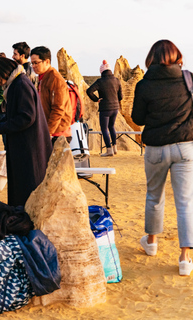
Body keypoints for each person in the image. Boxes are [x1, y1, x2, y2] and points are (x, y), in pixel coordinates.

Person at [132, 39, 193, 276]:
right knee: (185, 202)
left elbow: (138, 118)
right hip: (185, 147)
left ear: (152, 59)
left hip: (156, 148)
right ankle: (185, 258)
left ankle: (152, 242)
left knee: (154, 196)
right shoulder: (188, 79)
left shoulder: (144, 85)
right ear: (176, 56)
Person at [0, 57, 52, 207]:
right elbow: (14, 116)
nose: (0, 85)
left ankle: (24, 222)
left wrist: (1, 128)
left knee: (27, 191)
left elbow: (26, 117)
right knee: (21, 189)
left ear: (3, 74)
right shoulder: (17, 83)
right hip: (24, 147)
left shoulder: (20, 85)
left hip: (29, 149)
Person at [30, 46, 72, 145]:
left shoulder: (55, 79)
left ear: (47, 62)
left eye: (36, 63)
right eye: (32, 63)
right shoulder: (42, 78)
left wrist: (48, 131)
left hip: (58, 133)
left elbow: (58, 109)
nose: (33, 66)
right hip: (49, 131)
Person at [86, 60, 123, 157]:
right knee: (111, 127)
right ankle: (115, 148)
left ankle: (109, 150)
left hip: (105, 109)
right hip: (115, 108)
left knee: (104, 129)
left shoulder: (100, 81)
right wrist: (115, 99)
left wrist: (97, 99)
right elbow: (121, 97)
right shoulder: (116, 80)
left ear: (101, 71)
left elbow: (89, 91)